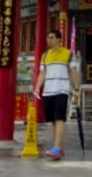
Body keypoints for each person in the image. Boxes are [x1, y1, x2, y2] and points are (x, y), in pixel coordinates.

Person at [33, 30, 80, 160]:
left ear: (59, 39)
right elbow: (42, 73)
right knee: (53, 121)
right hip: (48, 91)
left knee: (59, 118)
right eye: (48, 37)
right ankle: (58, 147)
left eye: (52, 38)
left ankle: (57, 148)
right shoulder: (45, 55)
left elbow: (73, 71)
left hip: (62, 90)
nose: (49, 40)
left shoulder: (68, 54)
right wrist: (37, 88)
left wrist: (76, 89)